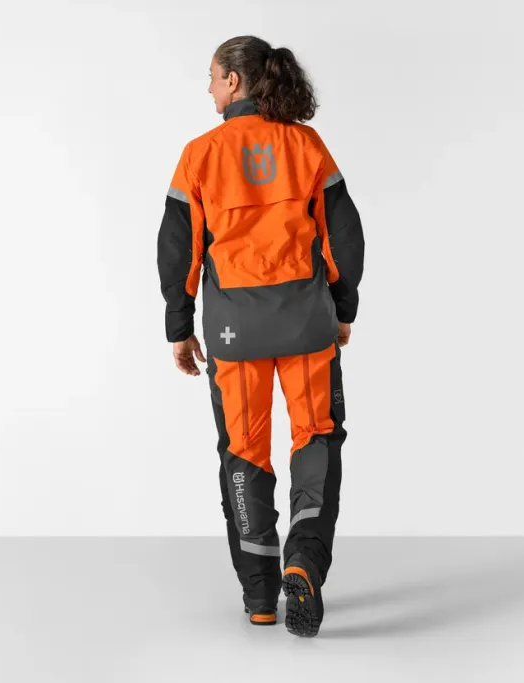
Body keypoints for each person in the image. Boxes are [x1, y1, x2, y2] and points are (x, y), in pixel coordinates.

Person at [156, 35, 365, 637]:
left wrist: (179, 326)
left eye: (212, 77)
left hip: (233, 330)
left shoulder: (200, 154)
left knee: (244, 452)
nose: (208, 89)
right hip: (307, 324)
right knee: (316, 437)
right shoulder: (306, 145)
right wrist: (343, 306)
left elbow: (178, 248)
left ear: (233, 81)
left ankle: (260, 596)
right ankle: (304, 563)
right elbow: (344, 234)